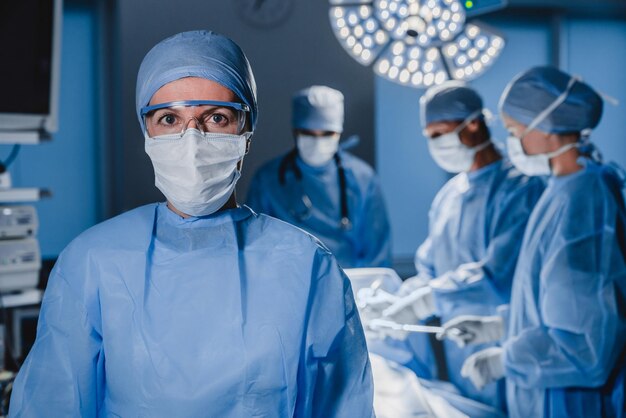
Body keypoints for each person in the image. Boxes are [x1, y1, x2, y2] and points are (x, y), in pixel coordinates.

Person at [8, 30, 374, 418]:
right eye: (169, 119)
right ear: (146, 131)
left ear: (246, 132)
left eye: (216, 118)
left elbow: (342, 406)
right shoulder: (93, 261)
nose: (192, 140)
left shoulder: (307, 267)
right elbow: (50, 405)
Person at [456, 66, 626, 418]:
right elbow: (553, 301)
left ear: (547, 129)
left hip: (571, 403)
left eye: (515, 130)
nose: (512, 142)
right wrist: (500, 326)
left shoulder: (584, 200)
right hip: (547, 397)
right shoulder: (561, 190)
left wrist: (505, 359)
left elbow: (585, 346)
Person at [381, 81, 545, 411]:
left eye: (439, 133)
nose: (434, 144)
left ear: (473, 124)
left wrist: (424, 302)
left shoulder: (522, 190)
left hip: (509, 345)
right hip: (461, 352)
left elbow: (497, 277)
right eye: (428, 136)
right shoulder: (449, 197)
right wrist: (394, 302)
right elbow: (429, 269)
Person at [246, 85, 392, 268]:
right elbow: (255, 246)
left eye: (327, 134)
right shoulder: (268, 180)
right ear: (295, 131)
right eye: (308, 133)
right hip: (288, 285)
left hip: (349, 284)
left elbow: (377, 255)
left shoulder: (363, 179)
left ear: (339, 133)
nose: (317, 142)